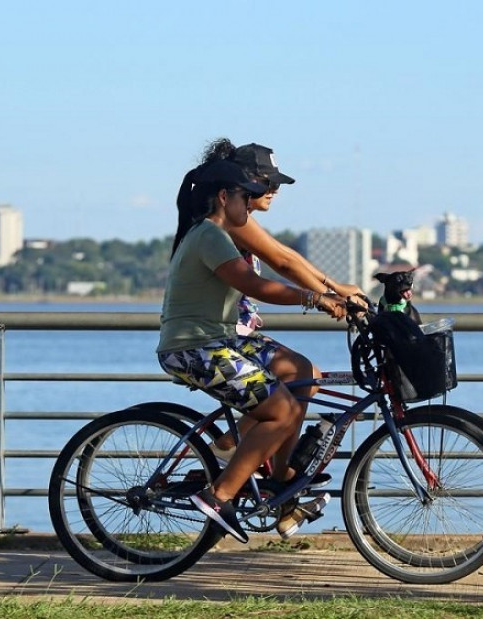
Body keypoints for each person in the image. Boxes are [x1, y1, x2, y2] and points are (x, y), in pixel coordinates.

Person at [157, 158, 346, 544]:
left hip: (222, 339)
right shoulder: (210, 235)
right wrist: (315, 297)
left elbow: (279, 264)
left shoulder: (219, 233)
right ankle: (218, 495)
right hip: (194, 347)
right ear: (225, 197)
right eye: (250, 195)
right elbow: (256, 285)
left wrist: (338, 296)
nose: (256, 200)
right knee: (280, 410)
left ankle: (279, 485)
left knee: (302, 374)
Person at [195, 140, 366, 536]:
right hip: (219, 337)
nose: (273, 190)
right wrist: (326, 294)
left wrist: (334, 287)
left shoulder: (236, 219)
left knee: (305, 374)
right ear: (239, 184)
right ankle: (245, 465)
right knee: (288, 398)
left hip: (237, 334)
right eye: (265, 181)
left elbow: (288, 256)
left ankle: (275, 476)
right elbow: (281, 262)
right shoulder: (228, 224)